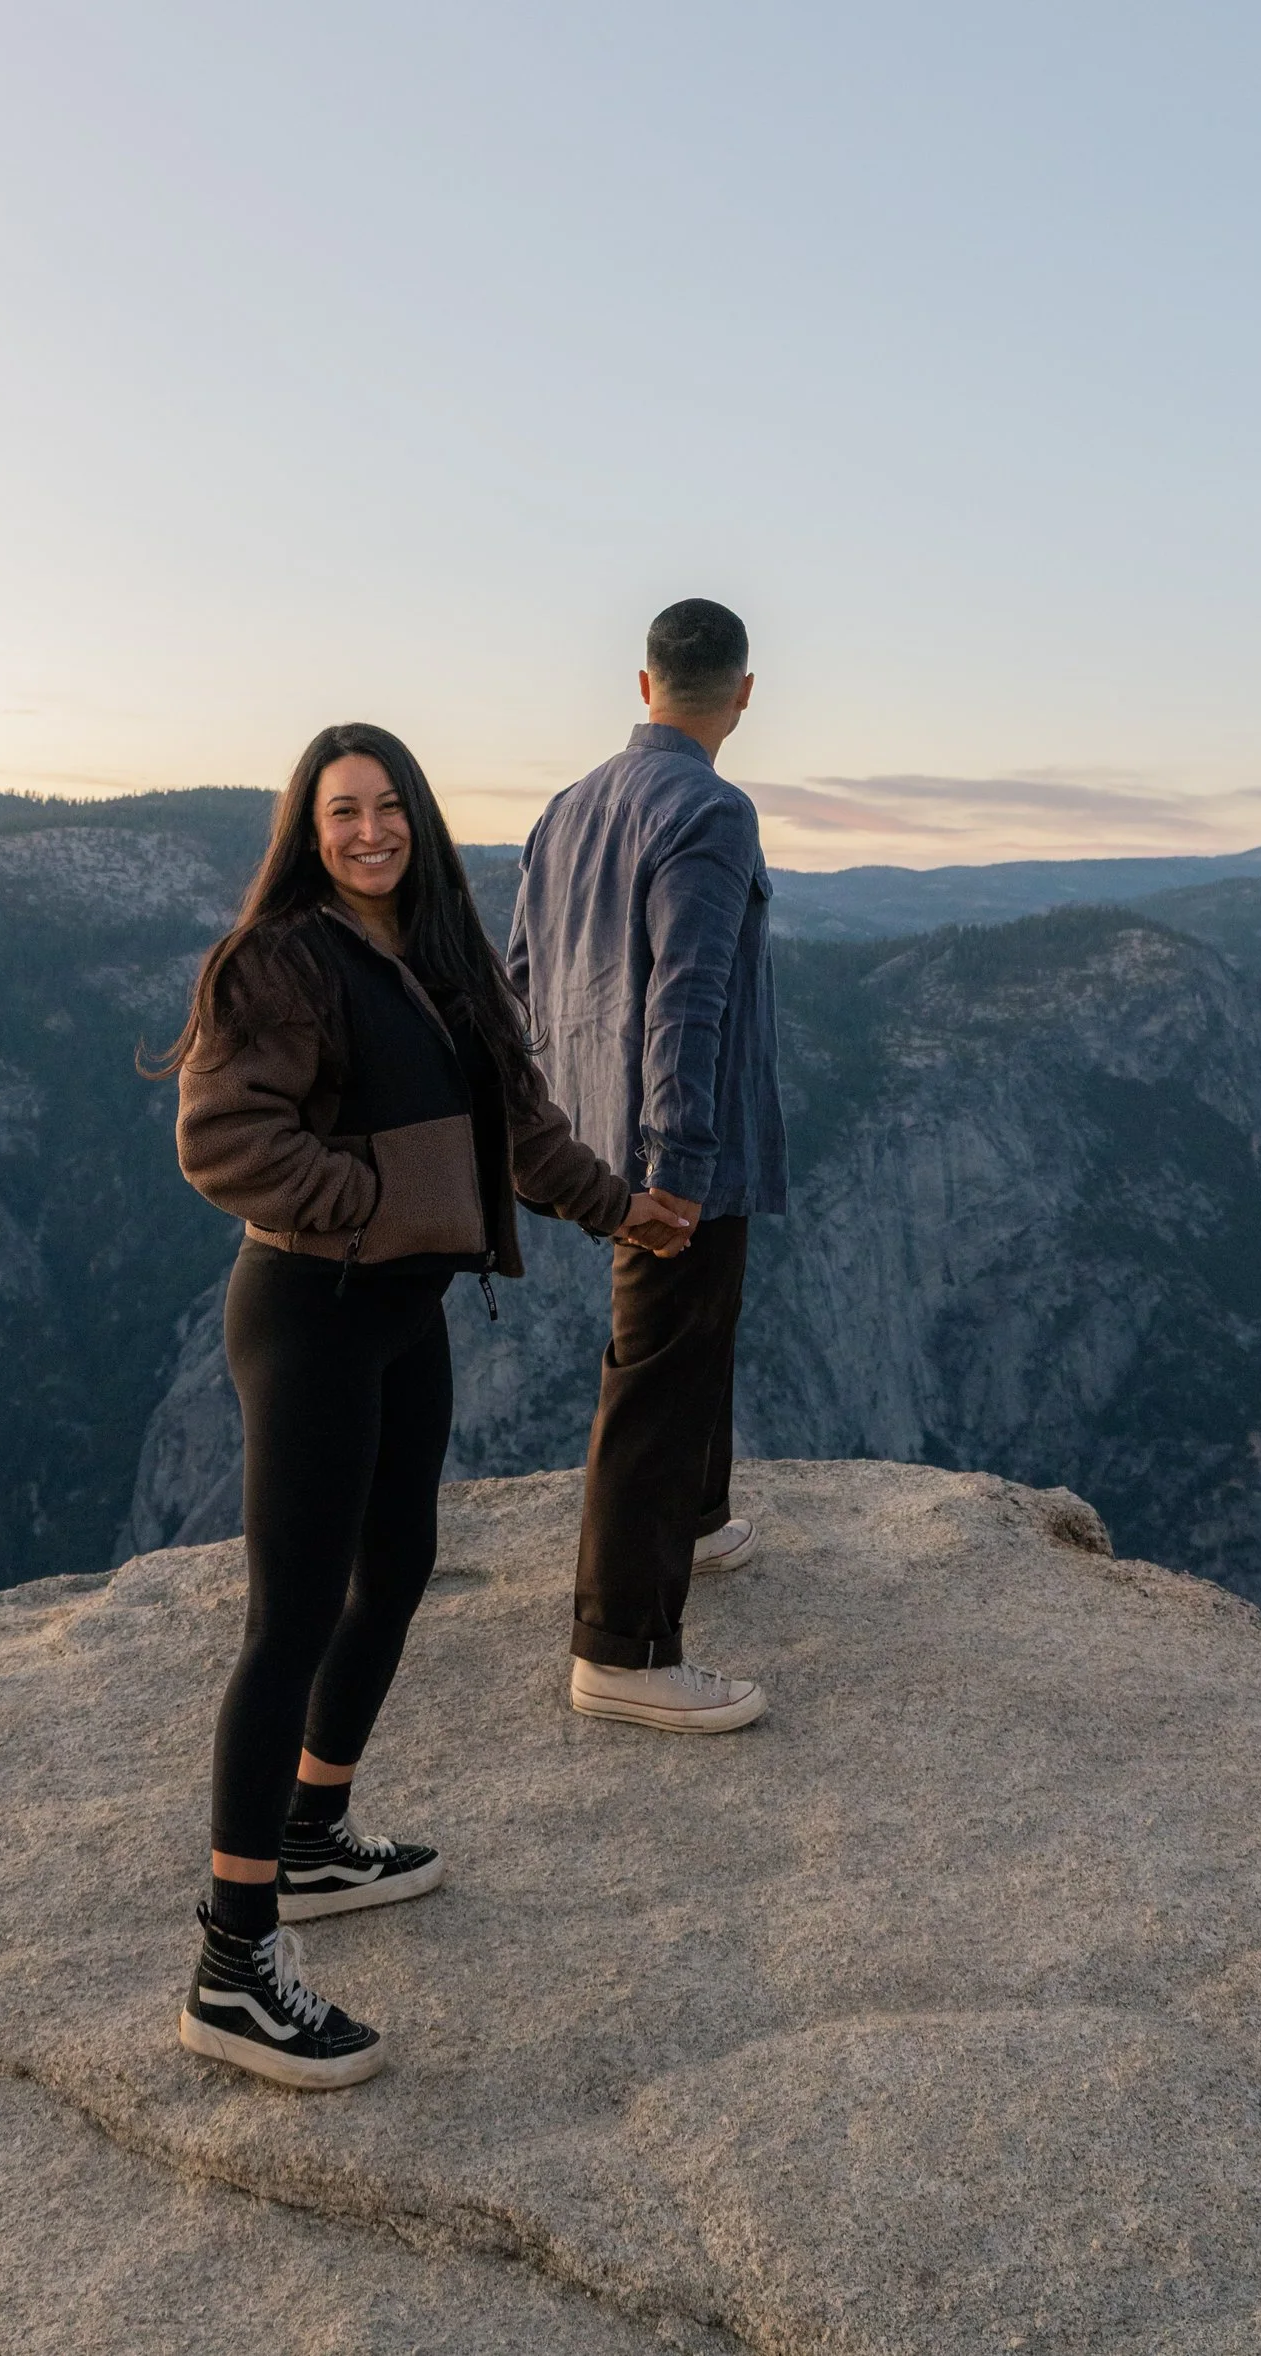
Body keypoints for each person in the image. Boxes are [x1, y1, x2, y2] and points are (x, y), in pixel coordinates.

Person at [155, 720, 690, 2089]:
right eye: (343, 812)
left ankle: (316, 1832)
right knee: (289, 1621)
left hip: (401, 1313)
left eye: (389, 807)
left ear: (420, 819)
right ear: (307, 827)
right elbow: (221, 1138)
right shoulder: (278, 962)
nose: (370, 831)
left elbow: (521, 1133)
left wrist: (622, 1208)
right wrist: (375, 1206)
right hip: (311, 1313)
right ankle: (231, 1963)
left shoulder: (443, 961)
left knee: (395, 1572)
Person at [508, 598, 787, 1731]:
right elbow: (690, 993)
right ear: (745, 693)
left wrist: (551, 1131)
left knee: (693, 1327)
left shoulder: (565, 808)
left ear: (642, 684)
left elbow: (515, 976)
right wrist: (672, 1163)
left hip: (585, 1129)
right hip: (674, 1144)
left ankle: (699, 1518)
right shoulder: (711, 811)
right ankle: (622, 1648)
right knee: (656, 1364)